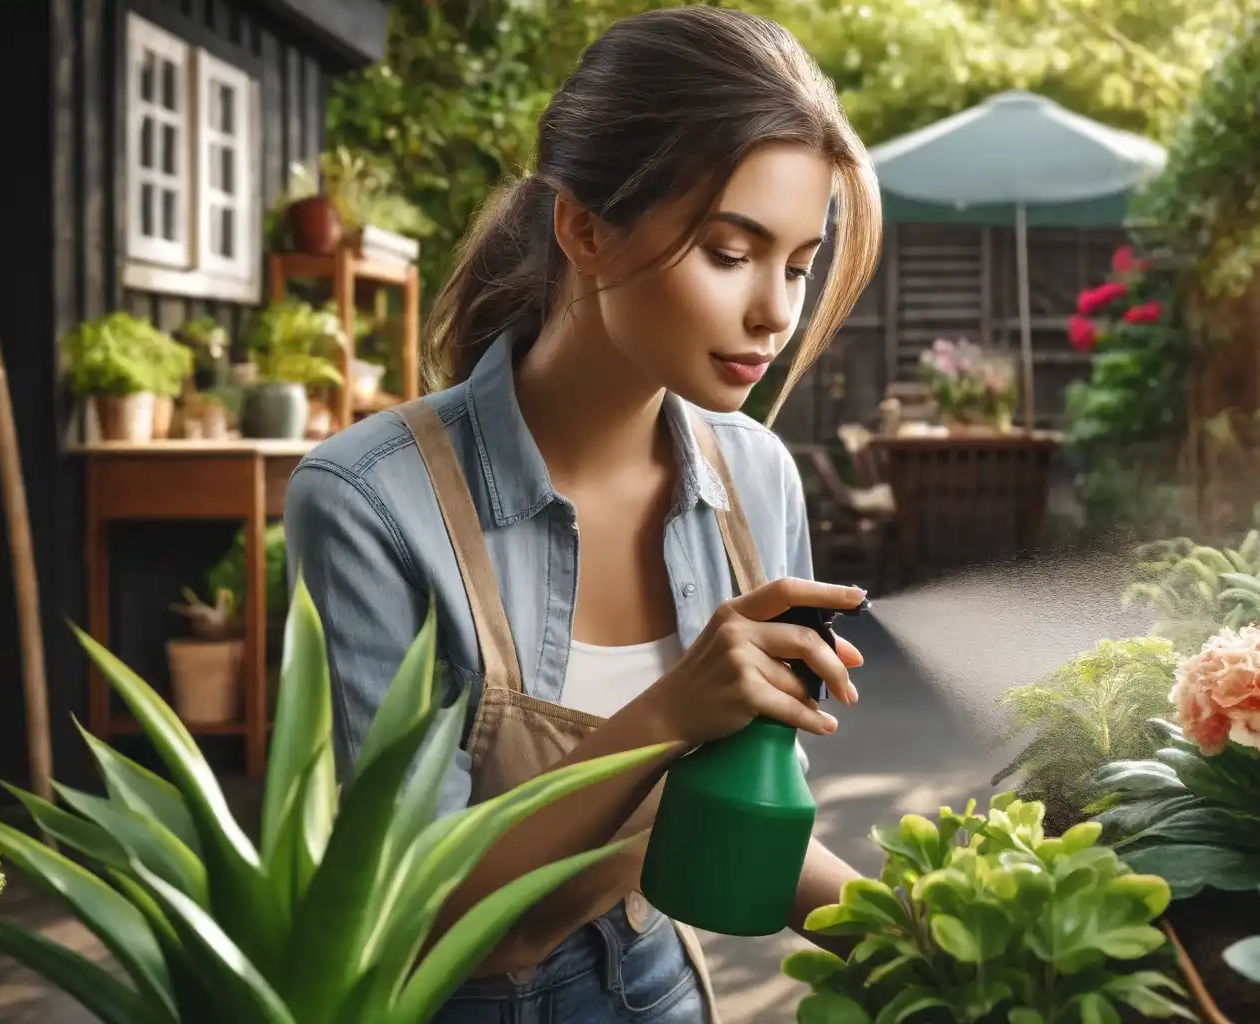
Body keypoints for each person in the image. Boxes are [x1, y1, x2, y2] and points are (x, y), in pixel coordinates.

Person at [284, 6, 883, 1023]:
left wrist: (946, 940)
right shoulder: (369, 502)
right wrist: (663, 718)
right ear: (584, 228)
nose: (775, 314)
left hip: (656, 987)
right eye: (731, 252)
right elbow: (407, 914)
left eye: (798, 262)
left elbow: (741, 831)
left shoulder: (757, 480)